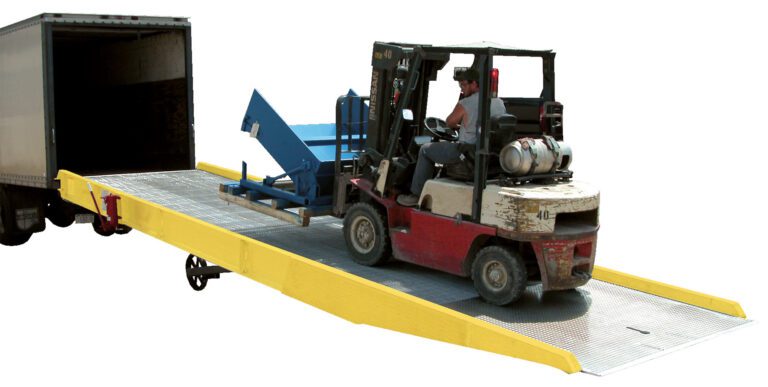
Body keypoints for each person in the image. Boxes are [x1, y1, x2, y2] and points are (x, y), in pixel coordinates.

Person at [396, 68, 506, 207]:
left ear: (475, 84)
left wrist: (460, 126)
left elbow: (449, 122)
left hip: (465, 152)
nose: (462, 88)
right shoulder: (499, 103)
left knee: (425, 149)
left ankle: (415, 195)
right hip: (487, 153)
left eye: (464, 85)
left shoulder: (466, 103)